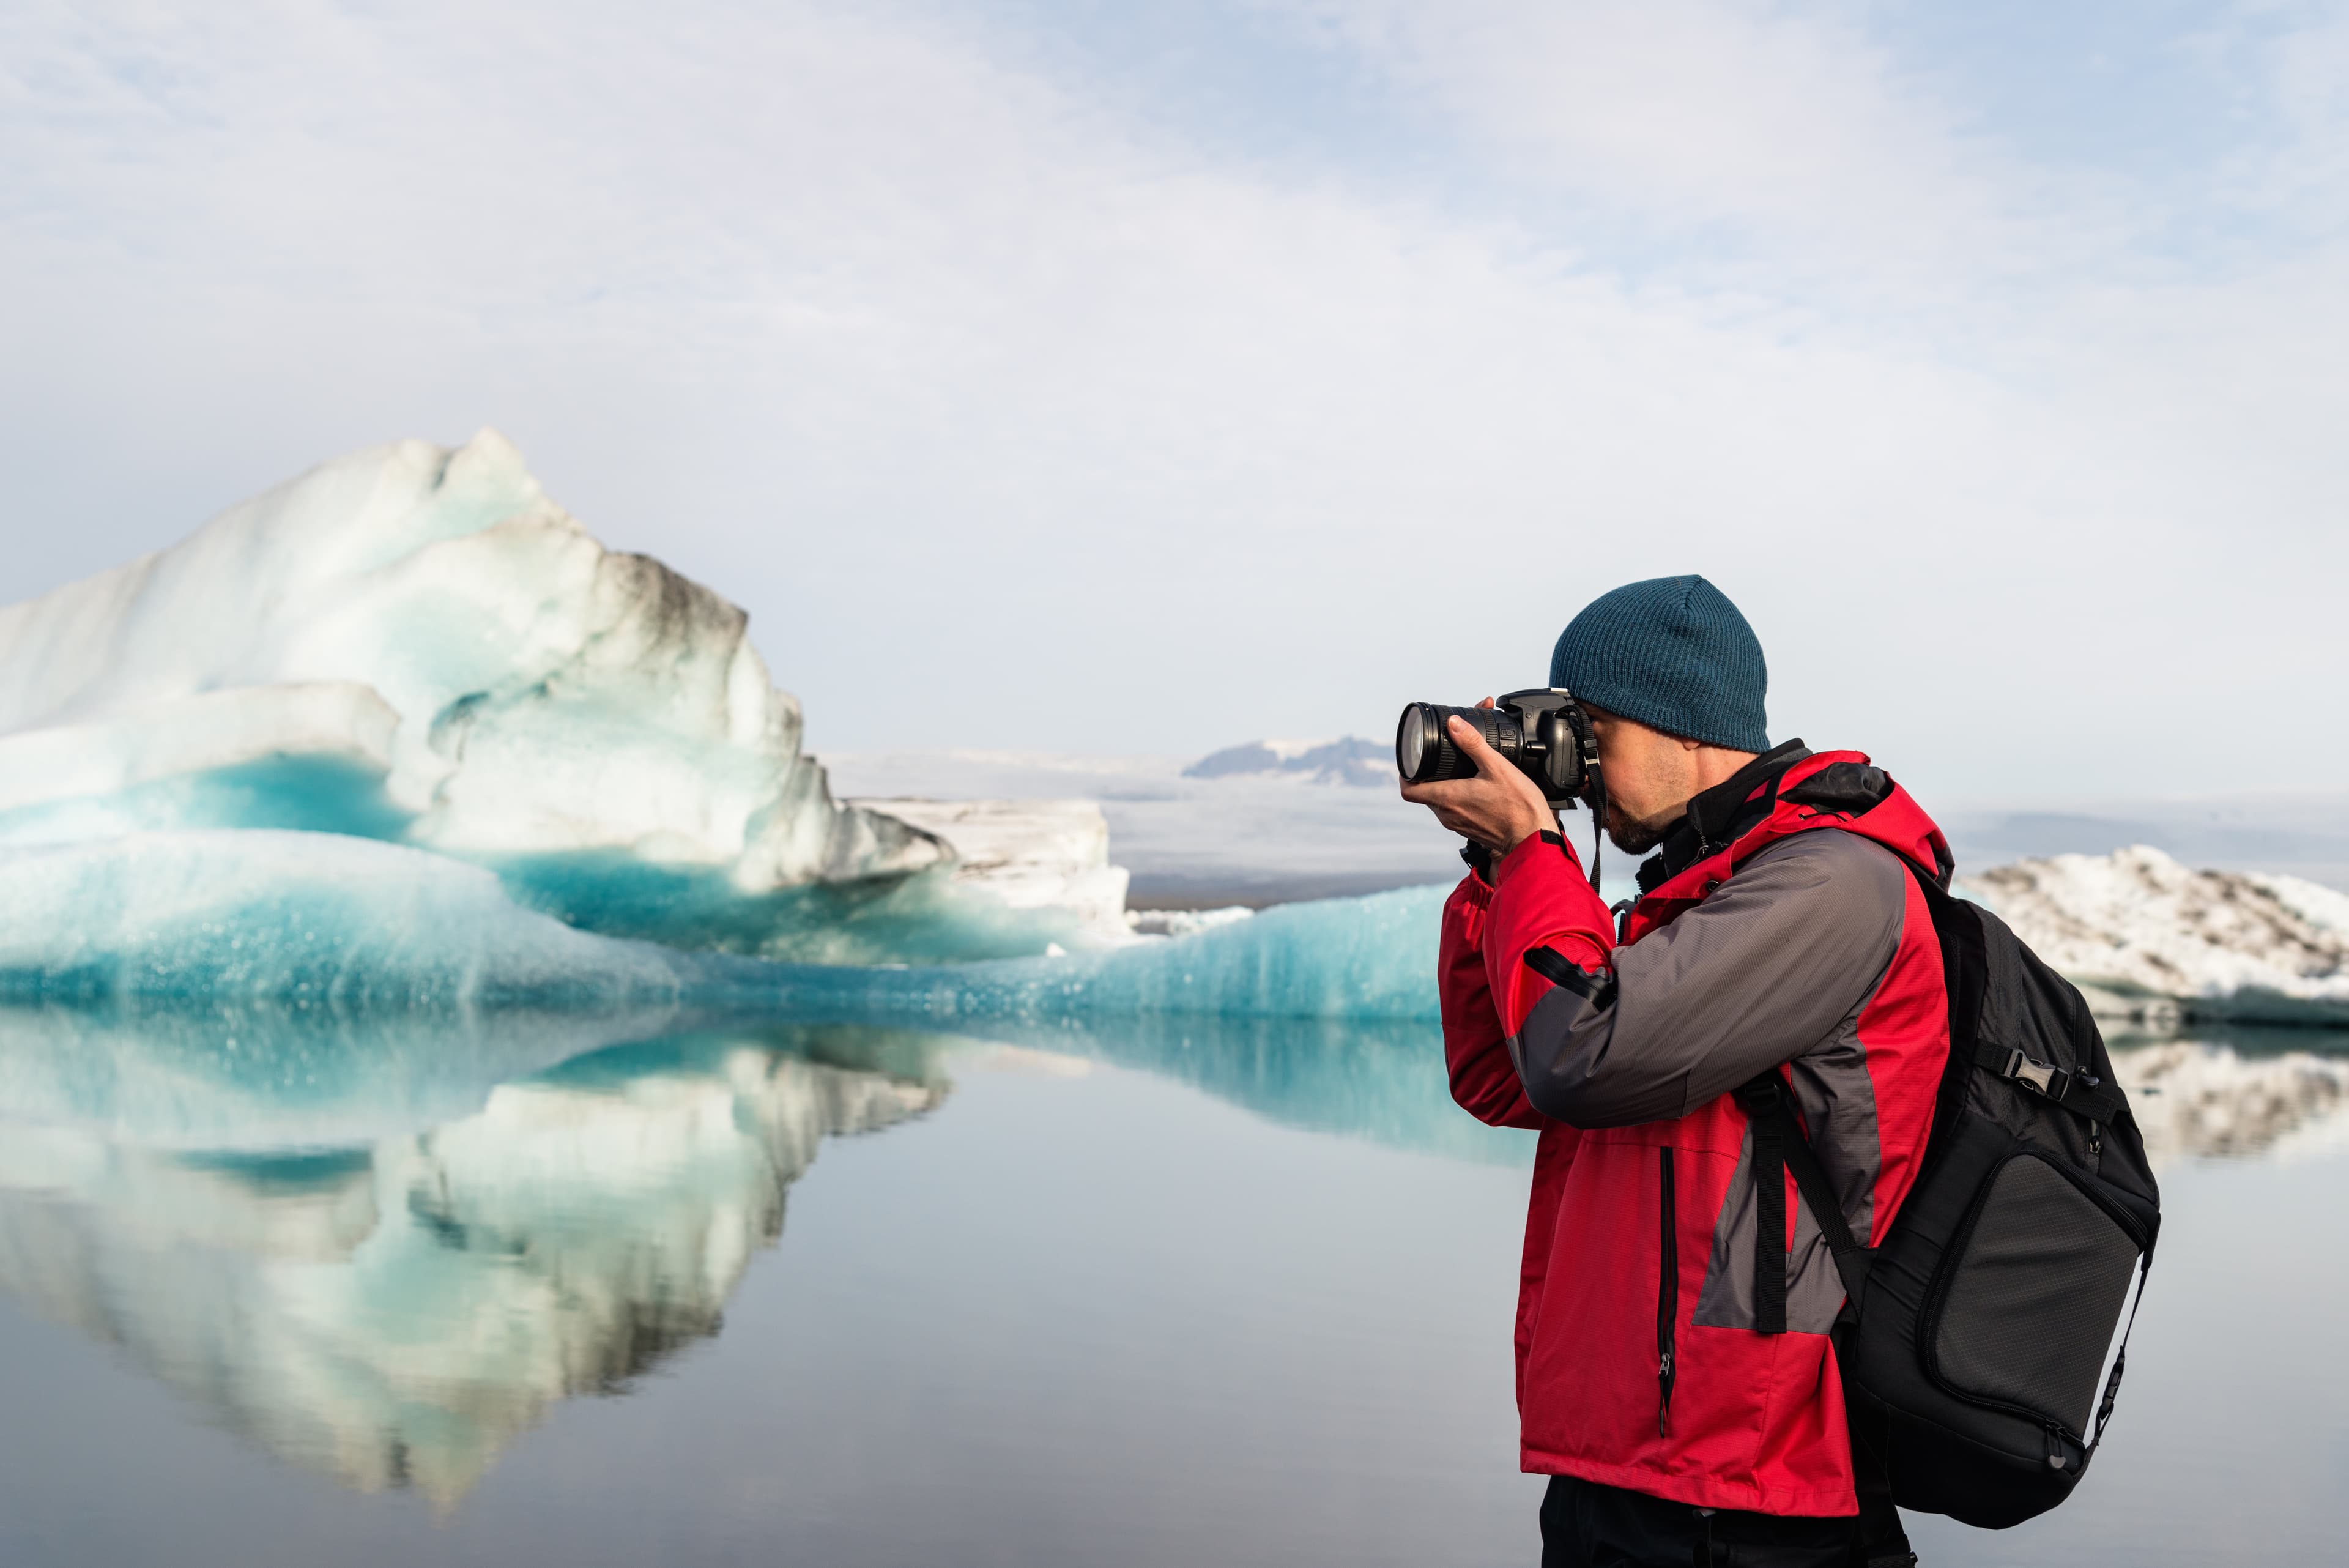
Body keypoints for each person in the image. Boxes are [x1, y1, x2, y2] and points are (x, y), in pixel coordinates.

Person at [1401, 575, 1953, 1568]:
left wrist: (1534, 850)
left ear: (1687, 726)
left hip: (1748, 1481)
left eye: (1595, 729)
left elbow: (1584, 1056)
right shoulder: (1707, 888)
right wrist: (1495, 872)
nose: (1579, 761)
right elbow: (1505, 1076)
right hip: (1628, 1461)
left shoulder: (1830, 882)